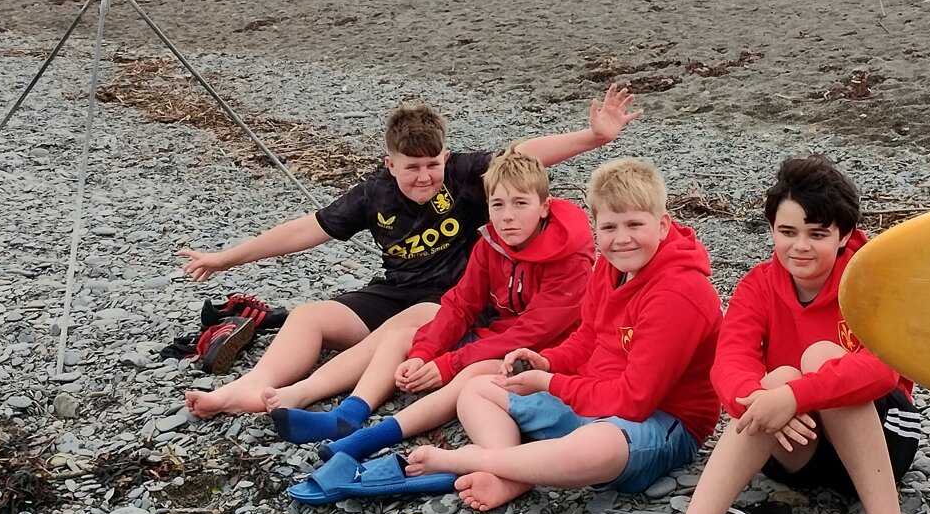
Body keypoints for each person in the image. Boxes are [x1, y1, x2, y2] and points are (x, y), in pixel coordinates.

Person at [177, 89, 640, 417]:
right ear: (390, 164)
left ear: (445, 156)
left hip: (454, 301)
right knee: (309, 315)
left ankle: (316, 396)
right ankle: (251, 387)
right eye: (412, 168)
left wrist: (594, 137)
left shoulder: (465, 174)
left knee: (411, 323)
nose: (424, 177)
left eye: (432, 165)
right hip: (395, 290)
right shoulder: (373, 195)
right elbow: (307, 230)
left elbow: (522, 158)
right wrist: (226, 258)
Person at [656, 156, 922, 514]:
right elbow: (729, 364)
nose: (801, 246)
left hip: (881, 438)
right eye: (788, 232)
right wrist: (765, 398)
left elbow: (882, 369)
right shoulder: (758, 285)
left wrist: (793, 396)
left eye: (817, 234)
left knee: (820, 361)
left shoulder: (869, 282)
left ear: (842, 236)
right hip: (794, 446)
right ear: (772, 230)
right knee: (771, 378)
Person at [405, 158, 722, 512]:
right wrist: (548, 361)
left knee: (597, 446)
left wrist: (550, 383)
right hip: (596, 394)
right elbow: (587, 338)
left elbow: (636, 401)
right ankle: (515, 473)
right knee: (478, 388)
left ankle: (470, 460)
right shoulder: (611, 266)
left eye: (634, 224)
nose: (622, 239)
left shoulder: (678, 293)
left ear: (662, 225)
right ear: (596, 228)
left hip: (662, 421)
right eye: (610, 228)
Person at [275, 148, 594, 457]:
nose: (507, 217)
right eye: (497, 205)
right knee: (403, 337)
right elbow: (461, 303)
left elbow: (532, 332)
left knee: (477, 370)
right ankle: (349, 414)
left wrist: (448, 364)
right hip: (500, 337)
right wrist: (424, 353)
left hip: (546, 352)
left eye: (520, 204)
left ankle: (374, 437)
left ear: (544, 207)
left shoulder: (570, 259)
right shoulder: (492, 242)